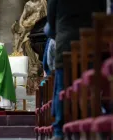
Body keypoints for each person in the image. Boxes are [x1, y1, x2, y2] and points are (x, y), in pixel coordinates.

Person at [47, 0, 106, 139]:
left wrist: (56, 33)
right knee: (91, 85)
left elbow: (50, 19)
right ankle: (95, 120)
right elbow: (102, 13)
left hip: (65, 41)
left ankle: (59, 129)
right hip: (91, 41)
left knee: (62, 86)